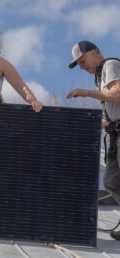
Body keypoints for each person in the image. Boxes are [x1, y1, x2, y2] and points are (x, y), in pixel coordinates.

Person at [66, 40, 120, 241]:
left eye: (82, 61)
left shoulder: (110, 65)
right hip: (116, 134)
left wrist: (86, 93)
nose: (82, 66)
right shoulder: (100, 77)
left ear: (95, 53)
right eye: (78, 64)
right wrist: (84, 128)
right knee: (111, 180)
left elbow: (118, 93)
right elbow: (110, 116)